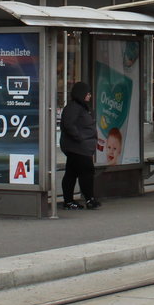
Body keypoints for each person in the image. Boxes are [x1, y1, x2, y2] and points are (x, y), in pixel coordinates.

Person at [59, 81, 100, 210]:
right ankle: (89, 199)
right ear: (81, 94)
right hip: (78, 148)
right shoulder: (74, 107)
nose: (89, 96)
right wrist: (80, 138)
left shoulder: (80, 107)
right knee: (87, 172)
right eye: (87, 93)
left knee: (71, 173)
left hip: (78, 147)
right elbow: (68, 125)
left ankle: (69, 201)